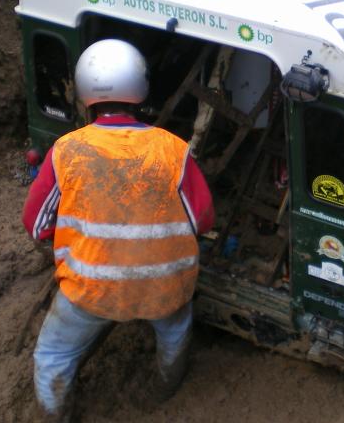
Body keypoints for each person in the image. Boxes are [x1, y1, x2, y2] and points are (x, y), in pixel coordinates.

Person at [21, 39, 214, 421]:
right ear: (140, 90)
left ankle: (53, 415)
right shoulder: (172, 149)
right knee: (174, 332)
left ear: (84, 93)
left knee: (53, 356)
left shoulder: (67, 150)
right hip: (165, 282)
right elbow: (203, 219)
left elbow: (36, 224)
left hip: (92, 286)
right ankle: (163, 388)